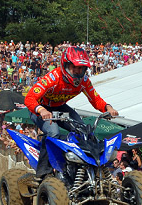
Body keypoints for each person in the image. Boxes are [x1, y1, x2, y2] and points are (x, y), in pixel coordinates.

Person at [24, 46, 118, 177]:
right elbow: (29, 98)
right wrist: (41, 110)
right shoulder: (53, 78)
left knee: (83, 130)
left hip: (60, 107)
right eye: (74, 67)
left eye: (81, 68)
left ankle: (79, 167)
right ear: (66, 65)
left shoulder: (84, 81)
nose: (78, 72)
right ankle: (43, 172)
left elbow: (95, 98)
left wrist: (108, 107)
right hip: (39, 108)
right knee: (53, 132)